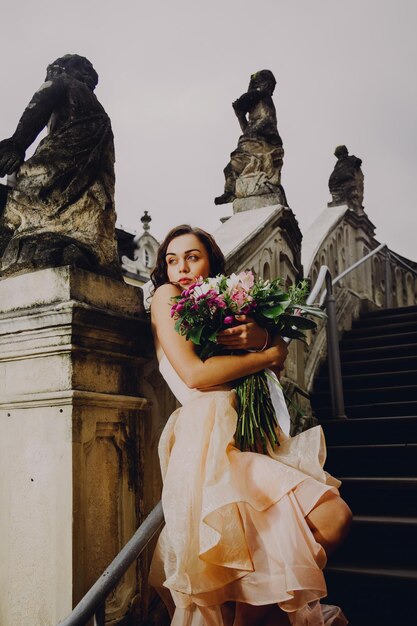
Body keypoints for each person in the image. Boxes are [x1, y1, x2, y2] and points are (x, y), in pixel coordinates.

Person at [149, 224, 352, 626]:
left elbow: (266, 354)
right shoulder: (166, 297)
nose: (181, 269)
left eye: (193, 257)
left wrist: (262, 336)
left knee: (306, 531)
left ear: (212, 262)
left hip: (253, 435)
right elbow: (194, 374)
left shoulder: (224, 300)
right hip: (209, 438)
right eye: (172, 261)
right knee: (330, 516)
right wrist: (268, 352)